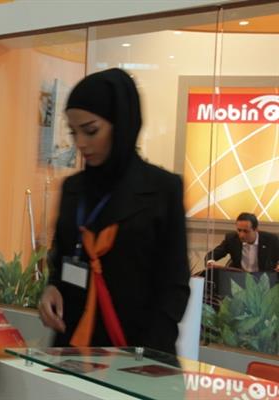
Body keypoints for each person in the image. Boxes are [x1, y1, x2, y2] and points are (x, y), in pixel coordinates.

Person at [38, 68, 191, 355]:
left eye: (90, 131)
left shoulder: (162, 190)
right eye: (73, 132)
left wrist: (147, 358)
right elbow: (62, 258)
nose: (80, 143)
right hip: (73, 350)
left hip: (137, 354)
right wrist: (52, 288)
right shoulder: (73, 189)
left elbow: (173, 285)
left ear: (121, 124)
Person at [205, 212, 279, 272]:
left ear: (256, 229)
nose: (241, 235)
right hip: (239, 279)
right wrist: (210, 262)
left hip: (264, 280)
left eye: (246, 231)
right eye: (239, 230)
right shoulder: (232, 239)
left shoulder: (271, 240)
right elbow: (211, 255)